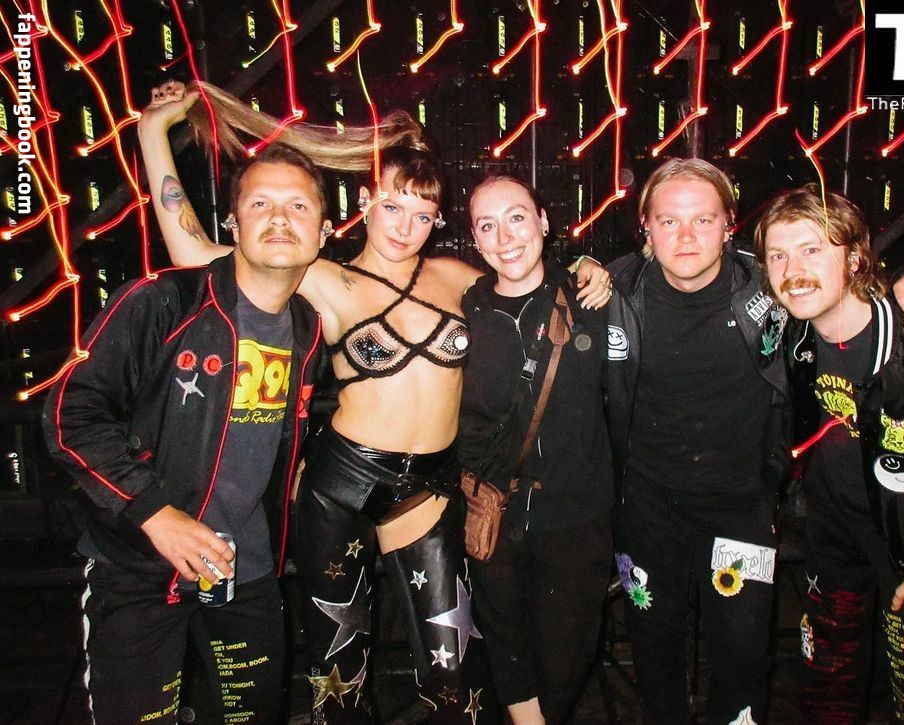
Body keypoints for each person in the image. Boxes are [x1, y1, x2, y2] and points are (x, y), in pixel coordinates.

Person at [137, 80, 612, 724]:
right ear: (364, 203)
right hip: (341, 485)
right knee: (340, 673)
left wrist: (585, 268)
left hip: (431, 487)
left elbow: (529, 275)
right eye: (392, 207)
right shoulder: (321, 276)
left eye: (423, 215)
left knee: (455, 672)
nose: (406, 228)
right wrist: (153, 135)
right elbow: (192, 252)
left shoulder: (457, 278)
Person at [603, 158, 904, 725]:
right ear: (645, 226)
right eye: (669, 221)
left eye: (703, 219)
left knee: (744, 659)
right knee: (653, 653)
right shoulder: (613, 291)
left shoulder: (766, 287)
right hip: (647, 507)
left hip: (741, 506)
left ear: (729, 224)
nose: (687, 236)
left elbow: (836, 273)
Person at [43, 142, 327, 724]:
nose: (279, 218)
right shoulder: (164, 302)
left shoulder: (308, 329)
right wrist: (155, 514)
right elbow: (70, 414)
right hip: (140, 570)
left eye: (298, 206)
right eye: (261, 203)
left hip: (244, 571)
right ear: (233, 223)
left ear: (323, 233)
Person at [755, 184, 904, 723]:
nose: (793, 270)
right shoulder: (793, 336)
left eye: (812, 249)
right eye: (778, 256)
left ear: (855, 258)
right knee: (826, 689)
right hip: (832, 537)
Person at [457, 176, 615, 724]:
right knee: (506, 642)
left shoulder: (590, 299)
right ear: (474, 238)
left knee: (566, 653)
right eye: (487, 225)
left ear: (544, 221)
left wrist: (593, 264)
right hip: (492, 510)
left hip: (575, 516)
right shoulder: (465, 308)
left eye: (517, 217)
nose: (505, 237)